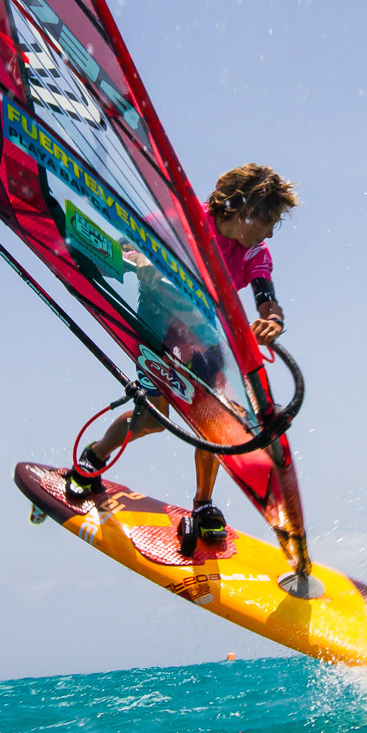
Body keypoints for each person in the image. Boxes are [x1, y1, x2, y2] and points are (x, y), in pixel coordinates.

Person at [63, 164, 299, 544]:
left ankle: (203, 503)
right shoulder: (183, 219)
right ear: (242, 212)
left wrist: (272, 321)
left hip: (203, 332)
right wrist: (140, 260)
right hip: (156, 324)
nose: (270, 231)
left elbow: (266, 297)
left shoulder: (255, 251)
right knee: (152, 419)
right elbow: (128, 243)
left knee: (215, 419)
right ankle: (92, 459)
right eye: (268, 220)